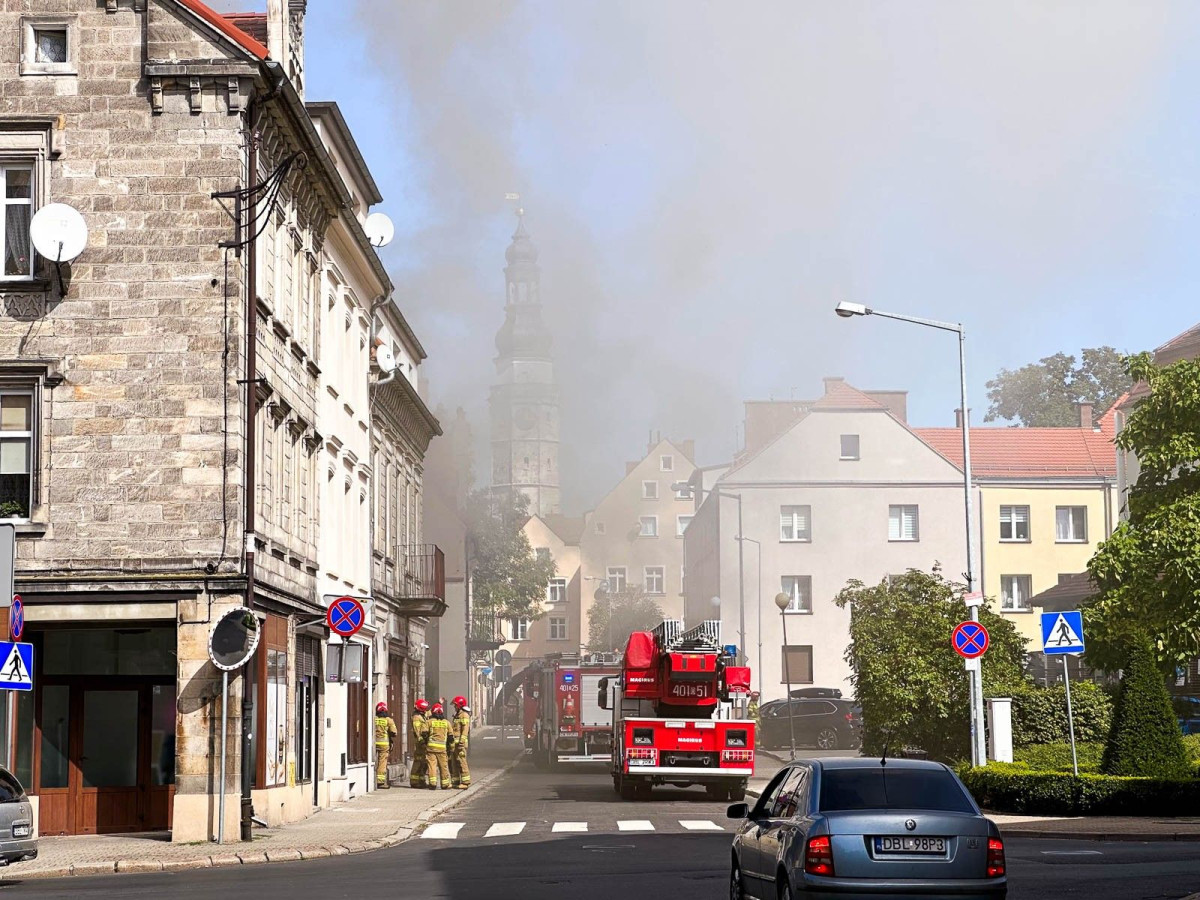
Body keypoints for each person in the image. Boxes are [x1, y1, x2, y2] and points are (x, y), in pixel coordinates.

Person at [425, 703, 452, 790]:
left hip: (431, 748)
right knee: (443, 766)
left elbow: (424, 733)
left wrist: (425, 743)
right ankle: (445, 784)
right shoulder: (447, 723)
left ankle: (433, 783)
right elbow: (451, 737)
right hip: (442, 749)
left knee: (432, 766)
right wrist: (451, 748)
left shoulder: (429, 722)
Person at [449, 695, 472, 789]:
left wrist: (461, 742)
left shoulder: (464, 715)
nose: (454, 707)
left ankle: (465, 782)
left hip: (460, 744)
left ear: (459, 705)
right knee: (454, 763)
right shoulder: (457, 715)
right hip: (455, 744)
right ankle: (455, 781)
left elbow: (465, 729)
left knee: (462, 762)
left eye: (455, 705)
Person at [374, 701, 398, 789]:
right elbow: (394, 732)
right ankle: (380, 782)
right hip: (384, 744)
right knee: (382, 762)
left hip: (373, 743)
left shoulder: (374, 719)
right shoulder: (389, 720)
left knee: (373, 761)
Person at [410, 699, 431, 788]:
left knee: (424, 762)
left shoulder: (422, 715)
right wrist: (422, 741)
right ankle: (414, 781)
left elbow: (429, 713)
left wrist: (439, 704)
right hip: (420, 743)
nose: (426, 710)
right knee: (418, 761)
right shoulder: (416, 717)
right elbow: (417, 731)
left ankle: (421, 780)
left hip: (424, 742)